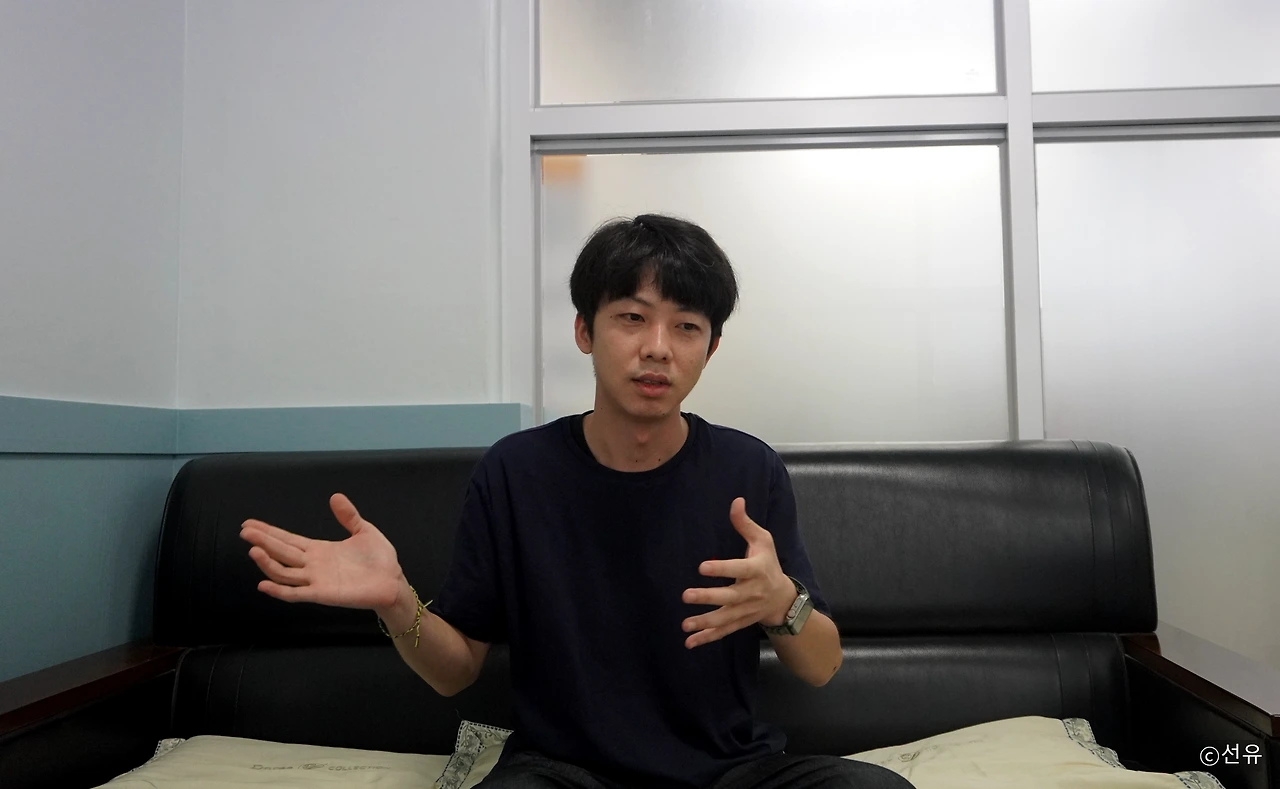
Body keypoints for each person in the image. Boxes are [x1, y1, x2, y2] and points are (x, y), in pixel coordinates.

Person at [240, 215, 911, 789]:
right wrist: (396, 601)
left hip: (727, 772)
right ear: (585, 330)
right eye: (632, 318)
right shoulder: (515, 472)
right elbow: (456, 671)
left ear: (711, 348)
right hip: (566, 773)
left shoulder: (749, 469)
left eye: (685, 326)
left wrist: (781, 601)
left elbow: (821, 664)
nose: (657, 348)